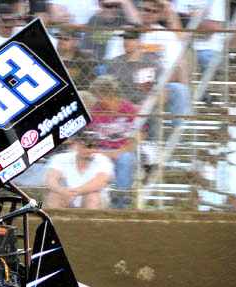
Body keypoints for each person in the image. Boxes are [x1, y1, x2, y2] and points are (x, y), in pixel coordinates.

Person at [103, 26, 189, 135]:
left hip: (146, 106)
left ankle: (172, 135)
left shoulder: (152, 63)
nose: (126, 42)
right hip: (122, 107)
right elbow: (108, 91)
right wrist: (128, 106)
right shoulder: (115, 64)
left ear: (139, 41)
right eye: (125, 39)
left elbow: (162, 91)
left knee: (158, 108)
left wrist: (144, 105)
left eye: (131, 39)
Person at [87, 74, 140, 209]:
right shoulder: (94, 111)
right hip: (100, 150)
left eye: (101, 97)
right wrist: (101, 152)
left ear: (113, 95)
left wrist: (119, 151)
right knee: (96, 159)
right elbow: (87, 139)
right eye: (97, 96)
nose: (99, 100)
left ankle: (119, 203)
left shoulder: (129, 109)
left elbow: (139, 136)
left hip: (124, 150)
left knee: (125, 159)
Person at [43, 131, 114, 209]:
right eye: (88, 146)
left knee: (91, 197)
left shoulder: (103, 160)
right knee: (54, 196)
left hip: (95, 202)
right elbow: (51, 180)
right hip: (67, 200)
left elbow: (99, 183)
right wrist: (61, 191)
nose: (92, 150)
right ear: (76, 145)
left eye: (95, 146)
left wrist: (74, 192)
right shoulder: (60, 158)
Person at [79, 0, 141, 64]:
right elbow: (87, 49)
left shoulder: (123, 16)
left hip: (121, 63)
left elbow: (138, 23)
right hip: (100, 63)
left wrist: (125, 2)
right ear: (100, 5)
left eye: (116, 6)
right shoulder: (94, 20)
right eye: (109, 6)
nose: (113, 9)